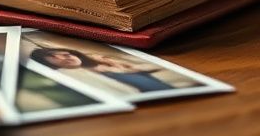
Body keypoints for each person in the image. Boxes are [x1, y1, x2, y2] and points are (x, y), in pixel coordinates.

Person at [28, 47, 190, 94]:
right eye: (56, 60)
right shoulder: (77, 77)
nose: (65, 57)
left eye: (64, 54)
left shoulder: (100, 59)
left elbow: (145, 68)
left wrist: (118, 67)